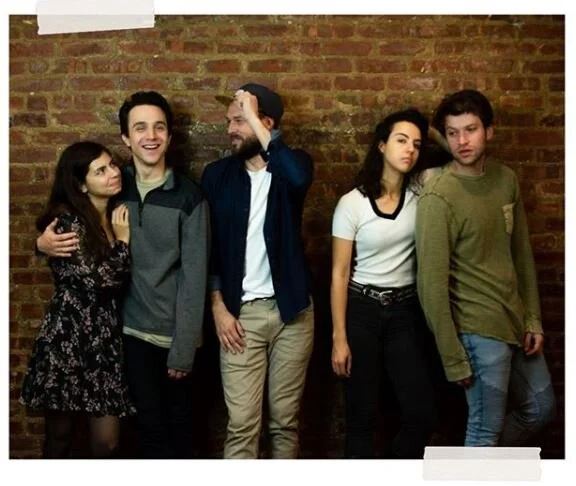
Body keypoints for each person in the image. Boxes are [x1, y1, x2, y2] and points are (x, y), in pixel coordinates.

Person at [36, 91, 210, 458]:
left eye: (159, 127)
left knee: (182, 432)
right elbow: (69, 213)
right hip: (126, 335)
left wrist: (183, 350)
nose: (151, 136)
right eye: (140, 127)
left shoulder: (189, 196)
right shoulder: (114, 187)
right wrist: (42, 243)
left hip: (172, 337)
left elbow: (195, 280)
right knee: (143, 433)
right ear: (126, 138)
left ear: (170, 136)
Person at [415, 89, 556, 447]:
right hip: (477, 330)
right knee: (484, 430)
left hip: (514, 320)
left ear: (489, 131)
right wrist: (453, 357)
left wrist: (532, 318)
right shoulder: (438, 196)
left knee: (541, 409)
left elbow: (520, 254)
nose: (462, 141)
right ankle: (480, 463)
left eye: (471, 129)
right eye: (452, 133)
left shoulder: (505, 179)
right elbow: (430, 286)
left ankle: (478, 465)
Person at [201, 83, 314, 459]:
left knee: (285, 423)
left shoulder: (292, 168)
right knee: (242, 425)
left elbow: (298, 178)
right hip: (240, 315)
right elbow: (210, 248)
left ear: (266, 122)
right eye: (229, 121)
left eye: (240, 120)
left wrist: (252, 114)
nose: (231, 129)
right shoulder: (217, 176)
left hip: (292, 314)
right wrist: (218, 307)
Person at [331, 109, 438, 458]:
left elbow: (459, 155)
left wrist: (429, 132)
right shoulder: (352, 203)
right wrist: (339, 338)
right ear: (381, 145)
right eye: (401, 140)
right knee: (361, 417)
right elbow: (339, 273)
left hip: (405, 312)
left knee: (421, 414)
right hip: (362, 310)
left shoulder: (423, 190)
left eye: (417, 144)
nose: (410, 150)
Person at [21, 141, 134, 458]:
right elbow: (101, 281)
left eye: (113, 165)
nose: (113, 173)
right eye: (101, 171)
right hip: (68, 339)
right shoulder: (69, 221)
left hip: (103, 341)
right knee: (61, 436)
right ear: (81, 185)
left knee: (107, 442)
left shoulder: (113, 214)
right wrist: (123, 243)